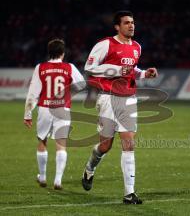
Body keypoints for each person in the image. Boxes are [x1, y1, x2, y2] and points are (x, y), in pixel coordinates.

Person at [82, 11, 158, 204]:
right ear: (117, 26)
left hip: (129, 98)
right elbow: (90, 68)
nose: (131, 26)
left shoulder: (137, 47)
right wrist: (116, 70)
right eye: (126, 23)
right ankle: (90, 168)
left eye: (132, 22)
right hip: (108, 97)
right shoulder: (105, 44)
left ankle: (129, 193)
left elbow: (132, 71)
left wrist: (145, 74)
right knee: (105, 145)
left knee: (128, 143)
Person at [24, 39, 86, 189]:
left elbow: (33, 93)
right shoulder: (69, 67)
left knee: (42, 141)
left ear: (49, 52)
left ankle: (43, 177)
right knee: (61, 144)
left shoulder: (41, 67)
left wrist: (27, 114)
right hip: (62, 109)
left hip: (45, 108)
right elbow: (82, 84)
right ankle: (58, 180)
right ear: (63, 53)